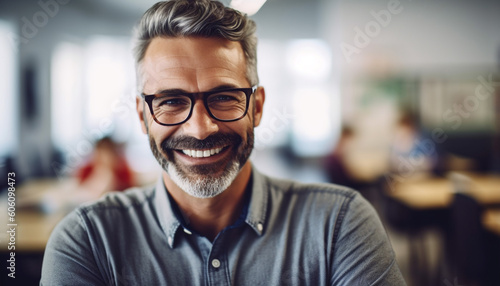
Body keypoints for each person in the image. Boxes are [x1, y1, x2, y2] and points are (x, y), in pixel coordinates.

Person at [41, 1, 406, 285]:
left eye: (224, 97)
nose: (201, 129)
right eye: (170, 101)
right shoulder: (87, 241)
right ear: (142, 115)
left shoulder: (339, 225)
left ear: (258, 106)